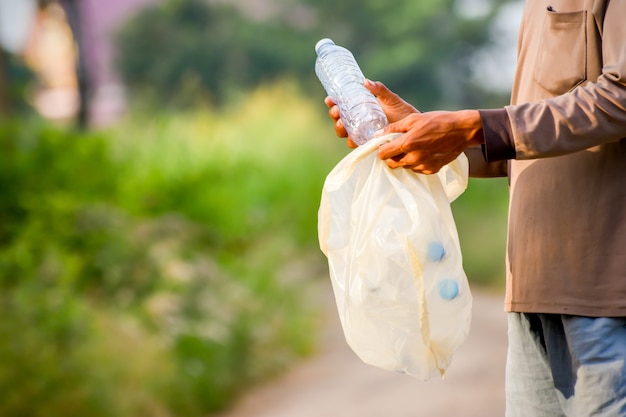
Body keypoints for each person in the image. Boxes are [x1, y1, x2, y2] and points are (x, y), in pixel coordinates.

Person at [323, 1, 626, 416]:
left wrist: (475, 126)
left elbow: (620, 98)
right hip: (532, 292)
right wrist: (428, 137)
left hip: (606, 298)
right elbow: (525, 142)